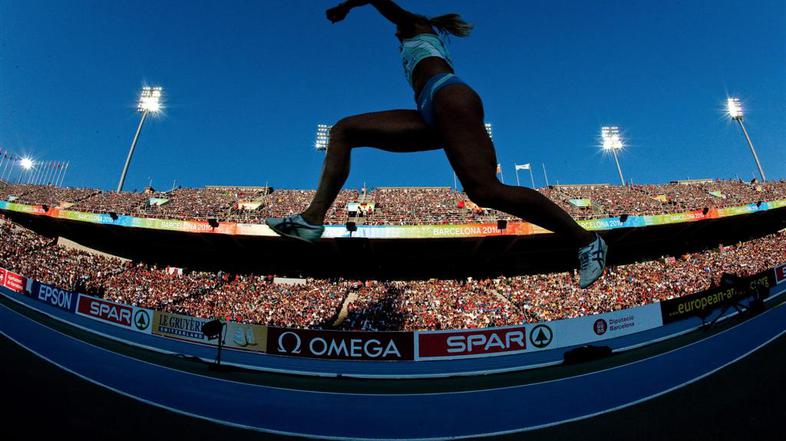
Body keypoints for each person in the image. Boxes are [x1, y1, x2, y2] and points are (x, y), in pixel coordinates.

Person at [267, 0, 607, 288]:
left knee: (486, 190)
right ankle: (312, 218)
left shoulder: (414, 23)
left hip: (450, 97)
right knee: (344, 131)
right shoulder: (415, 38)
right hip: (431, 108)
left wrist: (345, 7)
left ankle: (587, 240)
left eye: (397, 28)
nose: (394, 33)